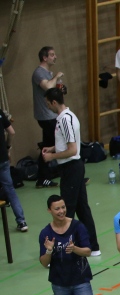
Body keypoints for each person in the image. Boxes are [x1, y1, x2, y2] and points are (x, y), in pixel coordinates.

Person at [41, 88, 101, 256]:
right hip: (73, 168)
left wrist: (52, 156)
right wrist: (53, 148)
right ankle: (93, 247)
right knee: (82, 208)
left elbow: (72, 149)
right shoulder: (66, 117)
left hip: (71, 168)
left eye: (48, 103)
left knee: (65, 210)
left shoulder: (65, 120)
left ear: (54, 102)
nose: (47, 106)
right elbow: (67, 142)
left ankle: (62, 250)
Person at [31, 46, 61, 189]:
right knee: (61, 144)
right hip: (46, 116)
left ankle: (42, 179)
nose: (55, 57)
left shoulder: (48, 73)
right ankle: (67, 173)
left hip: (51, 114)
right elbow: (48, 87)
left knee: (47, 146)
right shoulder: (39, 73)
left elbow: (52, 91)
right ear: (44, 57)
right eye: (52, 55)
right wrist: (56, 77)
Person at [0, 108, 27, 231]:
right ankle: (22, 222)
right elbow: (11, 132)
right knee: (10, 189)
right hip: (3, 158)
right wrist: (7, 147)